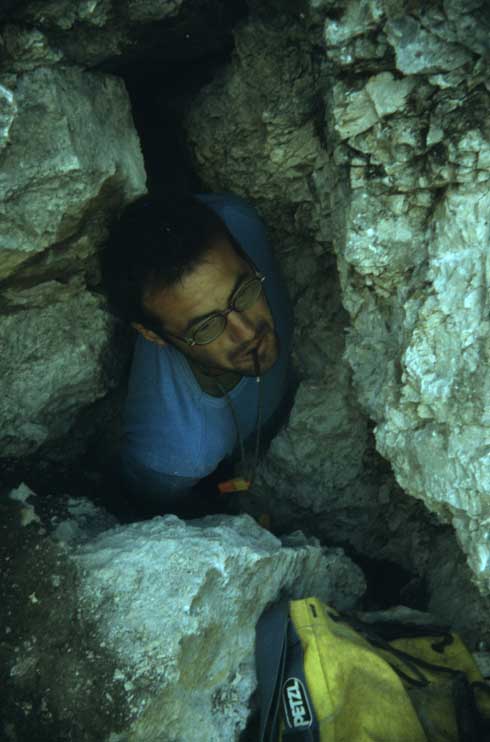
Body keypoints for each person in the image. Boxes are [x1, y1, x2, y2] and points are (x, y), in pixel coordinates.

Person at [102, 191, 294, 518]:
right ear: (152, 335)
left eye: (244, 292)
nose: (248, 332)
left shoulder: (237, 222)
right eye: (207, 327)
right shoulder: (176, 454)